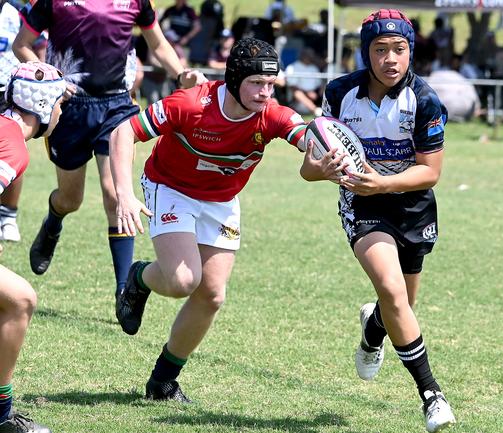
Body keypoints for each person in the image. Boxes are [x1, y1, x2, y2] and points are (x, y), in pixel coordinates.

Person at [109, 38, 326, 401]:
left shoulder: (271, 113)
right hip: (171, 186)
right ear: (236, 78)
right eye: (257, 83)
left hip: (221, 198)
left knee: (211, 294)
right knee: (182, 280)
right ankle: (139, 278)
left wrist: (322, 157)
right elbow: (124, 131)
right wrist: (124, 193)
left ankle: (163, 382)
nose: (264, 93)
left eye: (270, 85)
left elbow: (304, 136)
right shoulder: (192, 104)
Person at [299, 9, 455, 432]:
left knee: (401, 305)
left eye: (399, 50)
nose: (390, 59)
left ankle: (373, 330)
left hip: (412, 206)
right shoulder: (339, 93)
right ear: (366, 53)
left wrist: (382, 184)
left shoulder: (425, 100)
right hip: (363, 206)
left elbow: (431, 172)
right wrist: (327, 170)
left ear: (411, 52)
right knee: (390, 289)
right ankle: (432, 396)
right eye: (380, 50)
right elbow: (308, 169)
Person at [12, 0, 208, 296]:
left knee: (116, 194)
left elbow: (158, 43)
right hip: (68, 108)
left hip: (117, 106)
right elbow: (22, 45)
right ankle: (53, 220)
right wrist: (52, 79)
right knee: (70, 199)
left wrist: (182, 76)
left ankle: (122, 290)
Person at [0, 61, 68, 433]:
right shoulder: (13, 147)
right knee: (20, 300)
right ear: (43, 106)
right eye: (59, 103)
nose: (61, 112)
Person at [0, 0, 22, 243]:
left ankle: (8, 216)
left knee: (13, 152)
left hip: (7, 92)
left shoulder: (16, 11)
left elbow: (37, 41)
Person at [160, 0, 202, 68]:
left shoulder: (189, 11)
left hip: (183, 43)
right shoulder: (171, 10)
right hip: (171, 41)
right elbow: (159, 22)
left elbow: (197, 27)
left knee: (182, 64)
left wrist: (186, 38)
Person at [285, 47, 323, 116]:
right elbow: (292, 87)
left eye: (312, 55)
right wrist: (307, 93)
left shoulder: (314, 68)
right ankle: (315, 110)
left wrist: (319, 92)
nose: (311, 57)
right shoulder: (292, 67)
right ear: (303, 55)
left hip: (314, 96)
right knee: (297, 93)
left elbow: (319, 85)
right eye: (309, 55)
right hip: (296, 99)